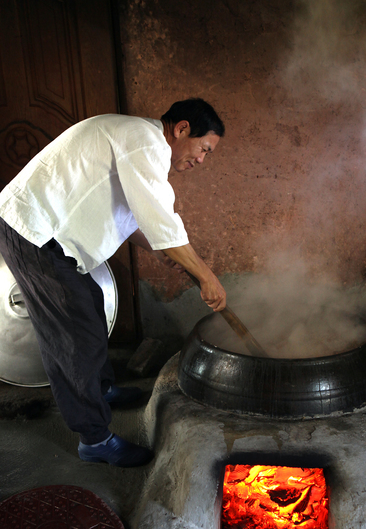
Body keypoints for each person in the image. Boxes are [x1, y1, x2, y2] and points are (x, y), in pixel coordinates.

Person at [0, 98, 227, 468]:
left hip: (47, 233)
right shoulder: (145, 141)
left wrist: (156, 248)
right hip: (34, 232)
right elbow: (160, 216)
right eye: (204, 149)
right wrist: (206, 276)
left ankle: (101, 390)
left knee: (89, 303)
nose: (201, 160)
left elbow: (135, 212)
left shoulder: (135, 139)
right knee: (74, 334)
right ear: (182, 129)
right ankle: (95, 439)